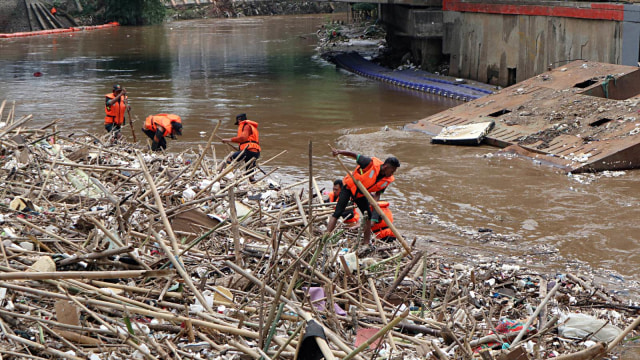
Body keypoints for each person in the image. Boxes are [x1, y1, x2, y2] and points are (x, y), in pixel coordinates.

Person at [326, 149, 400, 245]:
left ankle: (366, 242)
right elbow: (354, 155)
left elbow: (378, 193)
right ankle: (326, 237)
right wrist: (339, 152)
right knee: (338, 212)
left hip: (361, 193)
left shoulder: (387, 179)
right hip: (349, 187)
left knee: (368, 216)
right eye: (392, 170)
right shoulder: (369, 163)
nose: (392, 173)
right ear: (386, 167)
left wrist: (375, 203)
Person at [220, 113, 261, 181]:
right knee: (249, 172)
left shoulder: (246, 126)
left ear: (239, 120)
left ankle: (229, 175)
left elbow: (243, 138)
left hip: (248, 151)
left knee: (230, 158)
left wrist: (228, 140)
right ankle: (252, 181)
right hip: (256, 152)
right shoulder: (252, 127)